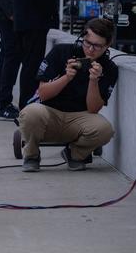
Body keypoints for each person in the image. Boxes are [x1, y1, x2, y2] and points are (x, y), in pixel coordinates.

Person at [19, 18, 118, 172]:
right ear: (82, 38)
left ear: (107, 46)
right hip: (50, 112)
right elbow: (43, 94)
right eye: (87, 42)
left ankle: (75, 154)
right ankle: (31, 155)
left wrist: (94, 81)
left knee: (105, 129)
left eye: (97, 46)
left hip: (79, 117)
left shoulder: (109, 68)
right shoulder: (61, 52)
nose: (90, 49)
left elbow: (94, 109)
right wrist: (67, 77)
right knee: (30, 112)